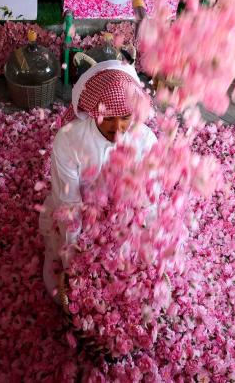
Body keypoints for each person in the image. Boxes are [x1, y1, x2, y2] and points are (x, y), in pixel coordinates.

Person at [39, 60, 157, 298]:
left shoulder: (145, 140)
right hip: (81, 212)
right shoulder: (70, 140)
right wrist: (75, 255)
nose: (118, 127)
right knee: (60, 270)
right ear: (94, 112)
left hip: (124, 217)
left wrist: (139, 228)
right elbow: (68, 200)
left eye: (125, 117)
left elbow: (148, 196)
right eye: (108, 118)